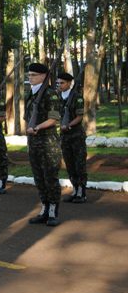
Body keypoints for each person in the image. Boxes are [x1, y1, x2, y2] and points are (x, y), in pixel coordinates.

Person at [25, 63, 62, 227]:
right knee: (39, 178)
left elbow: (53, 119)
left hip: (48, 143)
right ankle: (44, 209)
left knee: (50, 178)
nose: (30, 77)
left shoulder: (51, 94)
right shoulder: (31, 94)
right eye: (29, 75)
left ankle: (53, 211)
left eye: (33, 75)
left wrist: (37, 127)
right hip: (33, 143)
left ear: (43, 76)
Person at [56, 72, 87, 203]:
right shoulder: (57, 97)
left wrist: (68, 125)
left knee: (79, 163)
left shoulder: (77, 97)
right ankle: (75, 189)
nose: (59, 85)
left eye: (62, 83)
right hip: (64, 136)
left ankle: (81, 192)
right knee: (69, 163)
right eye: (58, 83)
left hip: (76, 135)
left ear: (69, 83)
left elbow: (80, 116)